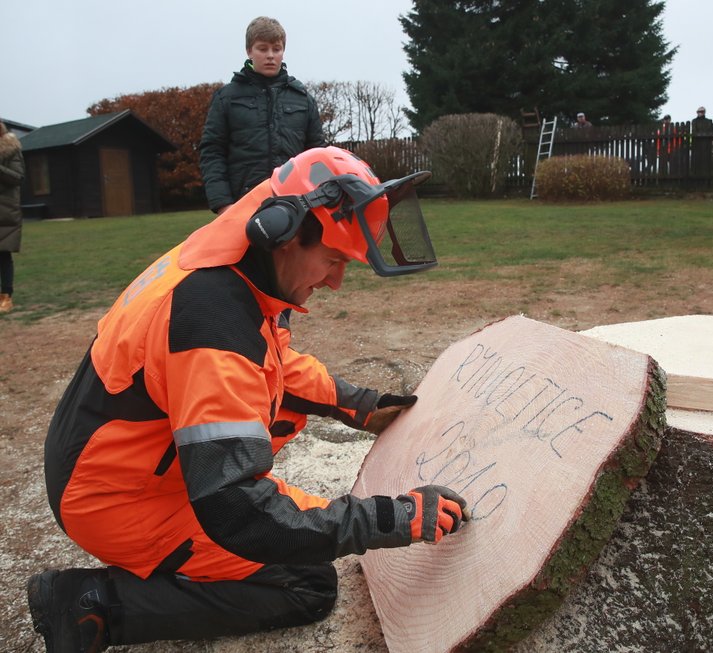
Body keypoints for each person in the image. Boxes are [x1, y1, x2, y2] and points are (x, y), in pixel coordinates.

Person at [27, 146, 469, 651]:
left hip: (114, 461)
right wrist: (389, 518)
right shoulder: (213, 322)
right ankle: (91, 602)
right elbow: (237, 509)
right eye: (331, 260)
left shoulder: (232, 265)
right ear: (283, 232)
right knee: (307, 584)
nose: (335, 281)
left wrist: (359, 404)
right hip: (118, 498)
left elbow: (270, 366)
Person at [199, 16, 325, 215]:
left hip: (296, 207)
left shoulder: (303, 99)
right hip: (242, 206)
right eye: (262, 48)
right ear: (249, 51)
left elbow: (317, 155)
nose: (270, 55)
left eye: (276, 49)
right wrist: (223, 204)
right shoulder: (227, 98)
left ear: (283, 51)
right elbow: (212, 153)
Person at [0, 120, 25, 313]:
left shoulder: (11, 150)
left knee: (3, 254)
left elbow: (17, 176)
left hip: (5, 209)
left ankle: (6, 296)